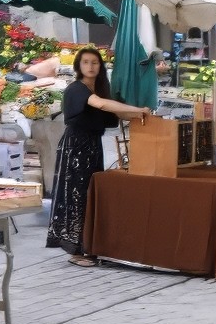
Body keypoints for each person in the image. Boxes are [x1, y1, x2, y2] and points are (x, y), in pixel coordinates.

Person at [45, 48, 151, 267]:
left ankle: (88, 246)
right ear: (78, 66)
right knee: (76, 194)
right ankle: (75, 250)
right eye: (86, 62)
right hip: (76, 146)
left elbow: (115, 112)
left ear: (100, 66)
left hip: (92, 145)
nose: (91, 66)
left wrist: (140, 113)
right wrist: (138, 108)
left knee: (90, 193)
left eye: (95, 62)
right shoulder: (77, 89)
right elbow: (101, 105)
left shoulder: (101, 90)